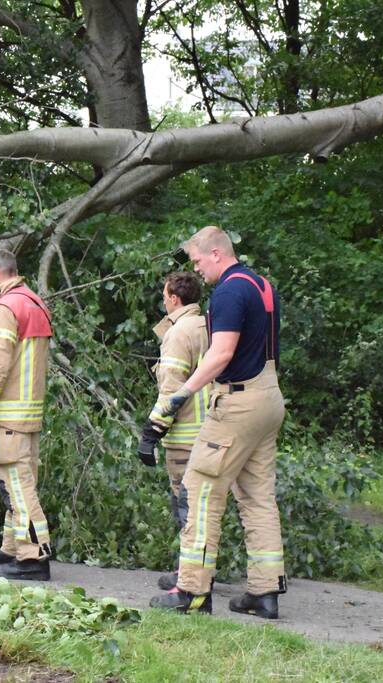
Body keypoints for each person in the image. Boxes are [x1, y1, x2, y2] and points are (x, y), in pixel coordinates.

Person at [149, 226, 286, 618]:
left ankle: (192, 590)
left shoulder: (229, 290)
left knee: (200, 488)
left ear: (215, 254)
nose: (197, 270)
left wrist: (183, 393)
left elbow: (222, 353)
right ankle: (265, 592)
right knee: (258, 495)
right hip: (269, 397)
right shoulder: (262, 285)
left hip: (238, 402)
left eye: (197, 261)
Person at [0, 248, 53, 581]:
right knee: (17, 484)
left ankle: (33, 556)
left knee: (17, 487)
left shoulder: (6, 307)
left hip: (11, 414)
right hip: (29, 413)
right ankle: (12, 549)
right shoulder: (33, 301)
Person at [137, 271, 210, 590]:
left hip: (185, 436)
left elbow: (171, 390)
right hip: (212, 430)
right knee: (204, 506)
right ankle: (200, 569)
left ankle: (189, 575)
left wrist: (151, 432)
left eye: (164, 295)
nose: (163, 300)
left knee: (186, 506)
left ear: (174, 298)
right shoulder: (209, 324)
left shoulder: (179, 333)